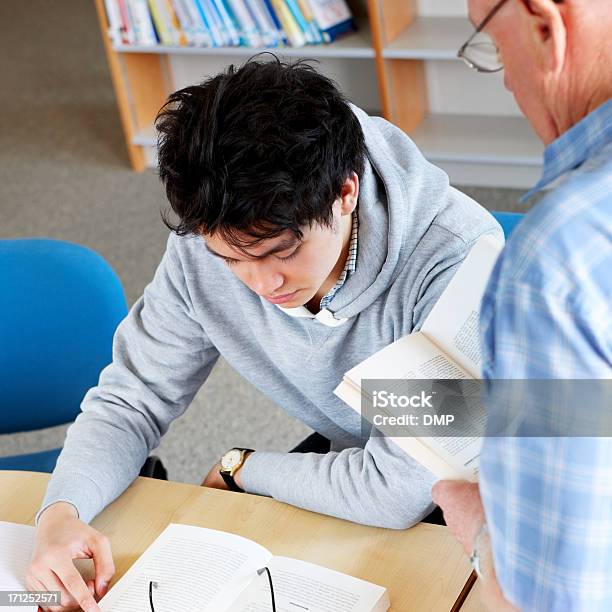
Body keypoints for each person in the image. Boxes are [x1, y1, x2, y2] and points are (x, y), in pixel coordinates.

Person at [28, 58, 500, 611]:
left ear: (345, 192)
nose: (261, 283)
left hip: (488, 486)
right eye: (231, 258)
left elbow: (398, 491)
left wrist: (242, 467)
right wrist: (61, 514)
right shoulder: (215, 231)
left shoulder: (460, 266)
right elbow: (132, 399)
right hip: (363, 456)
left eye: (283, 252)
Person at [433, 0, 612, 610]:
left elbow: (560, 602)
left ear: (544, 25)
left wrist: (480, 528)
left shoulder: (559, 260)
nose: (507, 79)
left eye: (491, 42)